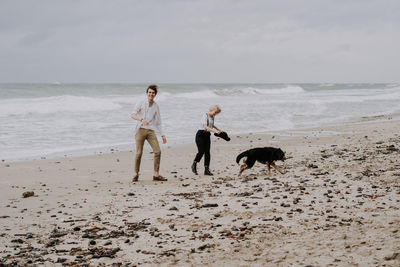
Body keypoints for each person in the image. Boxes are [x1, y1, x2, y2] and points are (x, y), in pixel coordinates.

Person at [131, 85, 167, 182]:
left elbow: (158, 122)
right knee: (139, 153)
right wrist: (141, 119)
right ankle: (136, 174)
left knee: (158, 151)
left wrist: (162, 135)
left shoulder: (156, 106)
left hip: (151, 131)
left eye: (153, 93)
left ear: (155, 94)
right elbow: (133, 114)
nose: (151, 94)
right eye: (149, 92)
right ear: (147, 93)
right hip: (140, 129)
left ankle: (156, 175)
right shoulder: (141, 103)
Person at [191, 105, 222, 176]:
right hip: (200, 135)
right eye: (215, 112)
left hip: (207, 136)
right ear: (211, 110)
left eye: (217, 113)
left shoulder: (212, 117)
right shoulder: (204, 116)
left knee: (207, 152)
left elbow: (212, 125)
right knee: (201, 152)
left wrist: (218, 129)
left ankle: (206, 169)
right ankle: (194, 164)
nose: (215, 114)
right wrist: (215, 131)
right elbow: (206, 127)